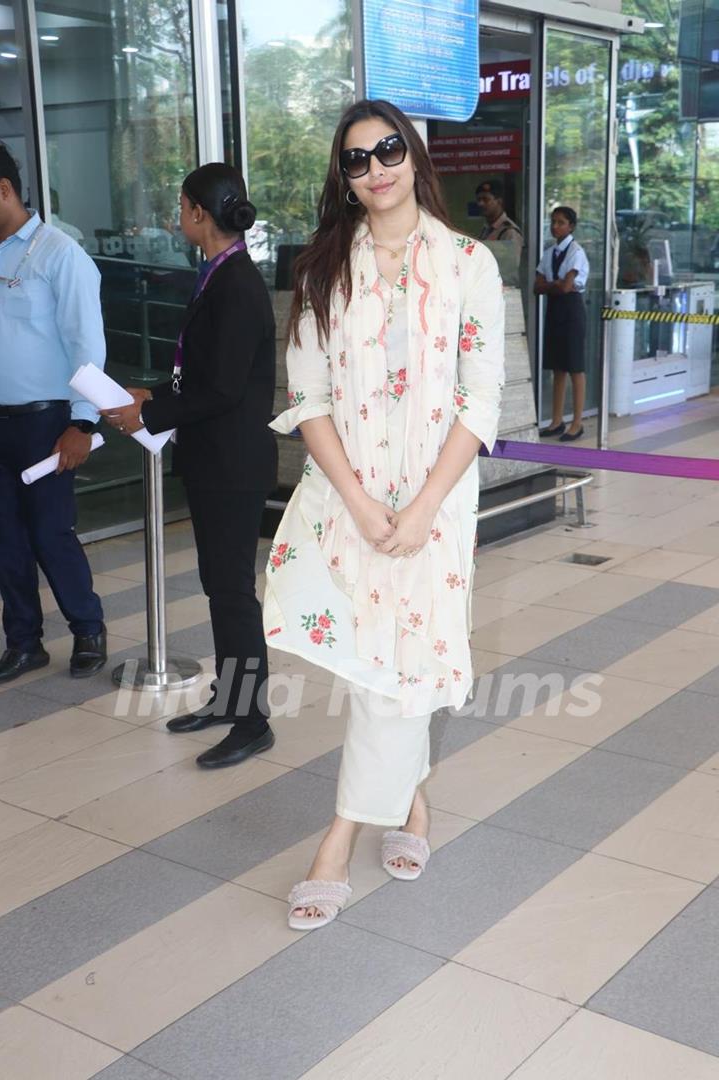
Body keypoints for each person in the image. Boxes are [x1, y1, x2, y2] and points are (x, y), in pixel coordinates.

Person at [264, 100, 505, 930]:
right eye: (357, 160)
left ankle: (337, 841)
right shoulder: (323, 271)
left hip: (437, 505)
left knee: (404, 662)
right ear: (345, 178)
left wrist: (425, 504)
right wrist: (365, 505)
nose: (377, 169)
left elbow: (483, 395)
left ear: (416, 154)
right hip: (352, 501)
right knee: (384, 659)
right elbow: (309, 399)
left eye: (389, 150)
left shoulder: (470, 262)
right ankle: (414, 806)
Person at [103, 163, 277, 770]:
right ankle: (229, 699)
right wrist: (151, 394)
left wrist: (147, 419)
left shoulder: (237, 285)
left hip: (233, 462)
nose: (177, 216)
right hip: (213, 458)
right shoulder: (217, 275)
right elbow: (197, 375)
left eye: (181, 206)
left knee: (232, 592)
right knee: (219, 587)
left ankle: (252, 719)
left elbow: (224, 390)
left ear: (200, 213)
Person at [0, 142, 107, 683]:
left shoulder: (59, 254)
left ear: (4, 189)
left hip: (47, 421)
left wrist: (82, 422)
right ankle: (23, 642)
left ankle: (88, 629)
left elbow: (86, 345)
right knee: (5, 537)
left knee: (49, 532)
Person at [534, 206, 590, 440]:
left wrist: (554, 285)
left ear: (571, 226)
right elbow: (537, 287)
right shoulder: (549, 253)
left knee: (575, 366)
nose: (555, 226)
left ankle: (577, 422)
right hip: (555, 310)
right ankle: (556, 420)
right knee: (557, 367)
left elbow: (567, 286)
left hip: (572, 309)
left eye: (561, 222)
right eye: (553, 222)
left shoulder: (576, 252)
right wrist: (554, 285)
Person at [475, 179, 523, 286]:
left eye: (486, 199)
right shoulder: (487, 229)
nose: (481, 203)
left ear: (499, 201)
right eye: (478, 200)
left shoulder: (509, 231)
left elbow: (510, 271)